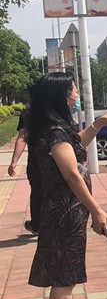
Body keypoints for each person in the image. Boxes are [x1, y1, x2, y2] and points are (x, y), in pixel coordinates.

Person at [27, 72, 107, 299]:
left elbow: (75, 144)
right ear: (62, 95)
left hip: (65, 211)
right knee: (64, 279)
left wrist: (98, 124)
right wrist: (96, 209)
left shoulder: (55, 128)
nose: (77, 93)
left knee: (68, 275)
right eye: (74, 89)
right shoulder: (54, 132)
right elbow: (71, 174)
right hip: (63, 212)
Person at [7, 87, 41, 234]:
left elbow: (22, 137)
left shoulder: (28, 114)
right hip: (57, 160)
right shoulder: (57, 112)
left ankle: (37, 224)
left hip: (36, 161)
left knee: (37, 192)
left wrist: (14, 161)